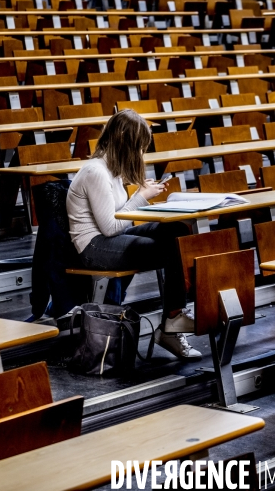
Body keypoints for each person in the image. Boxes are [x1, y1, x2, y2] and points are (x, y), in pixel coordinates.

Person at [66, 109, 202, 361]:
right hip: (93, 247)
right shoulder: (96, 172)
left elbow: (120, 220)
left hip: (111, 239)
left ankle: (174, 317)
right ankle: (172, 322)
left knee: (177, 230)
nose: (141, 154)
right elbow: (109, 227)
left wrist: (146, 198)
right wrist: (140, 197)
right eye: (139, 147)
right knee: (168, 249)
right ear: (125, 144)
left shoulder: (112, 170)